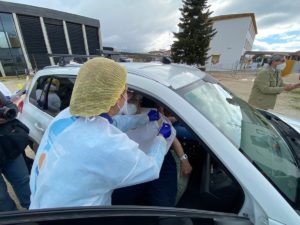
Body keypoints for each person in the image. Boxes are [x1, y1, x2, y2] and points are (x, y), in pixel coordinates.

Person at [29, 58, 174, 209]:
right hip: (79, 215)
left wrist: (143, 118)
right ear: (116, 97)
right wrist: (161, 138)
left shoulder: (67, 114)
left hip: (44, 203)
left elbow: (110, 123)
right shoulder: (107, 144)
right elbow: (151, 168)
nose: (128, 96)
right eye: (125, 91)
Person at [0, 91, 31, 212]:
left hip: (8, 148)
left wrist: (7, 116)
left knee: (24, 181)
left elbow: (11, 106)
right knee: (1, 197)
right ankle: (14, 218)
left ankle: (35, 211)